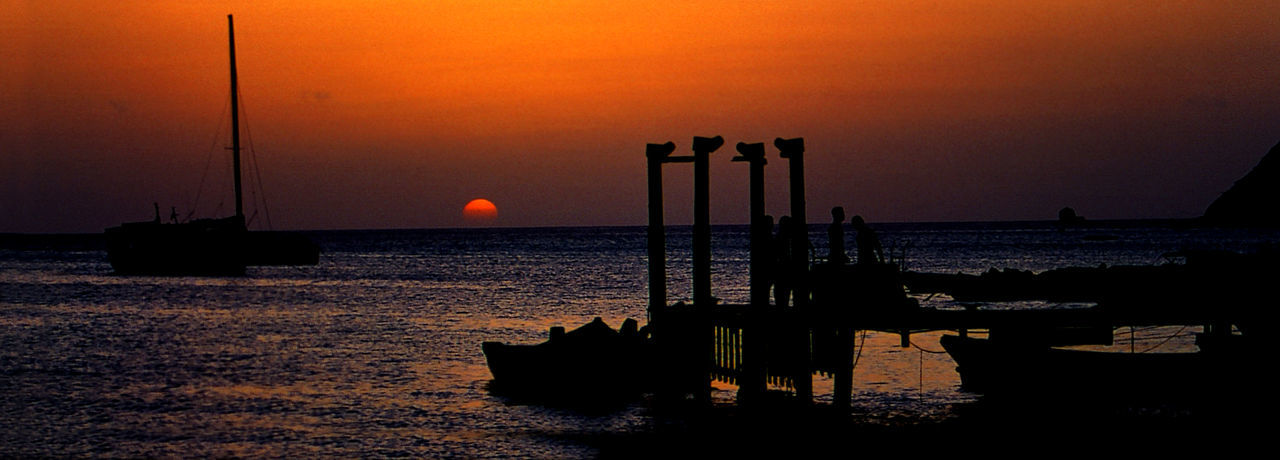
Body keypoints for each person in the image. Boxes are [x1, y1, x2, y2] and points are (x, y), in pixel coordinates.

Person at [773, 216, 794, 307]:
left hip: (782, 268)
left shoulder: (782, 238)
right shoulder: (782, 238)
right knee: (783, 291)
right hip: (783, 268)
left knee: (783, 291)